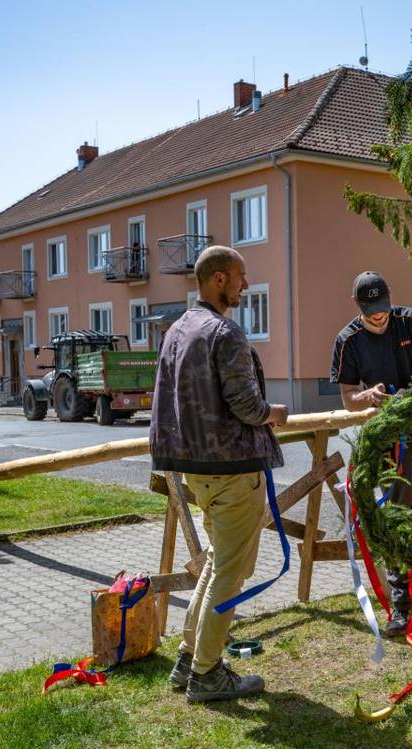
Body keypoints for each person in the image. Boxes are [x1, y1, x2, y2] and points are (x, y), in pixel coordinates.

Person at [152, 245, 289, 702]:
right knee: (228, 573)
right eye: (240, 276)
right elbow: (246, 406)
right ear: (218, 280)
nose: (246, 285)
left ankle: (190, 659)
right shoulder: (224, 333)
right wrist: (275, 413)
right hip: (231, 470)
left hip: (197, 472)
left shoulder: (176, 331)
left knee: (216, 564)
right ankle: (207, 674)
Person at [331, 271, 412, 635]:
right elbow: (348, 398)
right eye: (371, 310)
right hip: (386, 438)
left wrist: (408, 398)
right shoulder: (347, 340)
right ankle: (401, 602)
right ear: (357, 306)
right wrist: (367, 396)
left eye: (383, 308)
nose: (379, 316)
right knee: (396, 510)